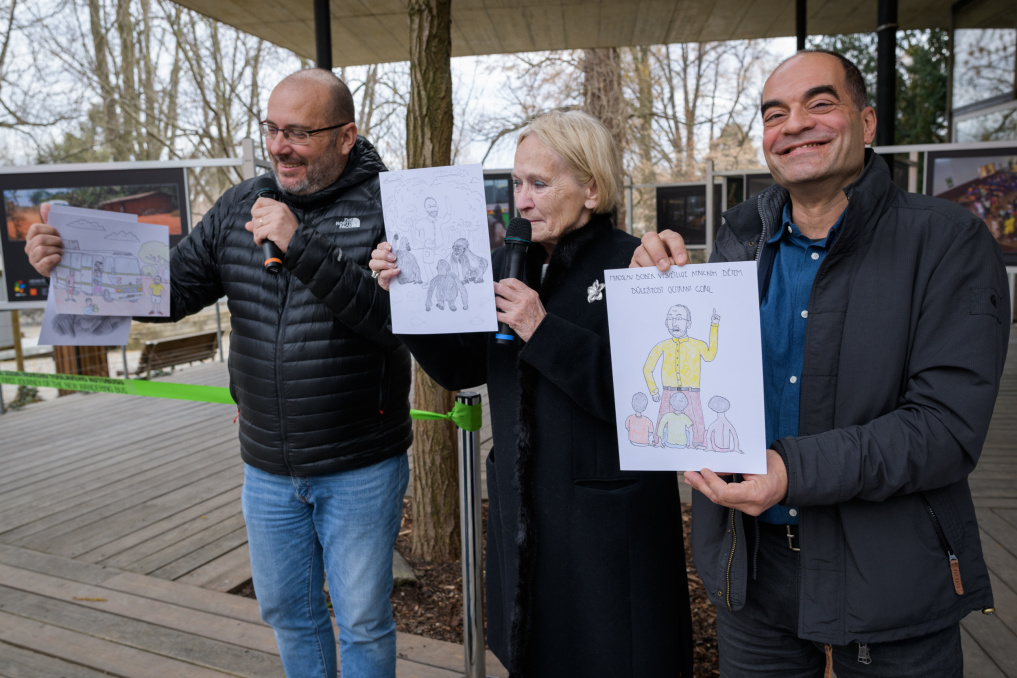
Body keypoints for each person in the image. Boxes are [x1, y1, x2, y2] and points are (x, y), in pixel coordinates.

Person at [631, 50, 1010, 677]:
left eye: (820, 103)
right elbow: (713, 364)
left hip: (887, 579)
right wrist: (666, 287)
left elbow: (945, 429)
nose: (795, 123)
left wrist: (789, 470)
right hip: (752, 574)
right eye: (774, 113)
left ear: (866, 125)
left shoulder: (946, 242)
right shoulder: (741, 238)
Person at [25, 68, 412, 678]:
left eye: (298, 132)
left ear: (345, 136)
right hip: (265, 465)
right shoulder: (240, 205)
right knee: (288, 611)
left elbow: (394, 323)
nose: (280, 145)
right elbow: (169, 289)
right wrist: (68, 265)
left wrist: (300, 243)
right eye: (272, 129)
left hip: (359, 463)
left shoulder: (393, 207)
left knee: (362, 619)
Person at [369, 109, 695, 678]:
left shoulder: (635, 264)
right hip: (527, 516)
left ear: (591, 188)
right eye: (517, 183)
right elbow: (460, 369)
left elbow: (648, 400)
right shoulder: (504, 265)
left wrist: (542, 329)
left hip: (608, 529)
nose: (521, 201)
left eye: (539, 184)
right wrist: (410, 299)